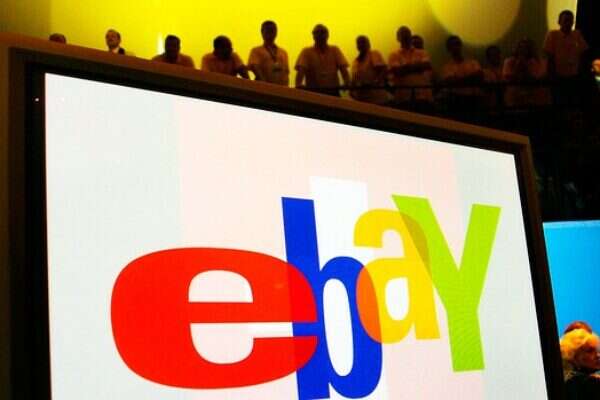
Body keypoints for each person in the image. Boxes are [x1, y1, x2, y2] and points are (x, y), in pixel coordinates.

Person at [295, 24, 350, 96]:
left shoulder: (335, 50)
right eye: (317, 32)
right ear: (313, 36)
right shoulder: (306, 52)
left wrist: (347, 83)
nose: (320, 35)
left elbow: (343, 69)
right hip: (313, 93)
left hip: (333, 93)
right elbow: (301, 70)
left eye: (322, 32)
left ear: (328, 35)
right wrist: (298, 85)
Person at [388, 26, 433, 109]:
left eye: (407, 34)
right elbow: (397, 71)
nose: (405, 36)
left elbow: (426, 65)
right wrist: (417, 67)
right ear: (398, 38)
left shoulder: (422, 52)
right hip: (404, 96)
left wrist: (405, 68)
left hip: (422, 94)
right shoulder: (393, 55)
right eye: (403, 34)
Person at [439, 35, 484, 109]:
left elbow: (480, 77)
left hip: (474, 98)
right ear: (448, 48)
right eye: (453, 45)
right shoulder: (447, 67)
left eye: (457, 44)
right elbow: (451, 83)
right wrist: (471, 78)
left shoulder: (473, 62)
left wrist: (459, 81)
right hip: (458, 100)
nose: (456, 47)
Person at [503, 39, 550, 107]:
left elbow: (539, 78)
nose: (523, 50)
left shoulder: (538, 61)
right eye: (520, 47)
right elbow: (508, 78)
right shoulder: (509, 61)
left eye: (526, 47)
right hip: (515, 97)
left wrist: (525, 66)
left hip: (535, 97)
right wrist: (518, 66)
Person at [544, 10, 588, 79]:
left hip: (573, 74)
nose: (568, 23)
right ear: (559, 22)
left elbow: (584, 52)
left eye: (570, 21)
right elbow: (549, 55)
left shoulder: (577, 35)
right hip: (557, 74)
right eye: (566, 20)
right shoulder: (553, 35)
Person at [560, 328, 600, 398]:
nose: (598, 355)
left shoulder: (568, 380)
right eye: (590, 351)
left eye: (596, 350)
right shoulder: (588, 383)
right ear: (573, 356)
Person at [350, 35, 390, 105]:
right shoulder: (355, 61)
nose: (361, 45)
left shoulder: (373, 54)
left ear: (368, 44)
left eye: (363, 42)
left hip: (377, 98)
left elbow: (383, 70)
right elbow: (354, 80)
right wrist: (351, 91)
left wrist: (374, 83)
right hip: (362, 99)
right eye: (359, 43)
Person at [248, 21, 289, 86]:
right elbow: (254, 67)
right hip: (262, 87)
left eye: (272, 30)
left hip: (281, 88)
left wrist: (286, 88)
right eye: (268, 30)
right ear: (262, 32)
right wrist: (265, 84)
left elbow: (286, 73)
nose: (270, 33)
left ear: (276, 32)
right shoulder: (256, 51)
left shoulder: (283, 53)